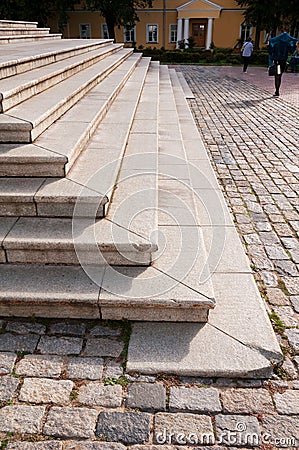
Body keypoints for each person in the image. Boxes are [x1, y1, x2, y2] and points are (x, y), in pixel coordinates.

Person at [268, 31, 298, 96]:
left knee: (277, 76)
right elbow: (292, 51)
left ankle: (277, 90)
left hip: (276, 61)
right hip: (283, 61)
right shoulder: (287, 44)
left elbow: (270, 51)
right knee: (280, 75)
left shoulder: (276, 43)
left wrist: (269, 46)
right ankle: (277, 90)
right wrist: (295, 45)